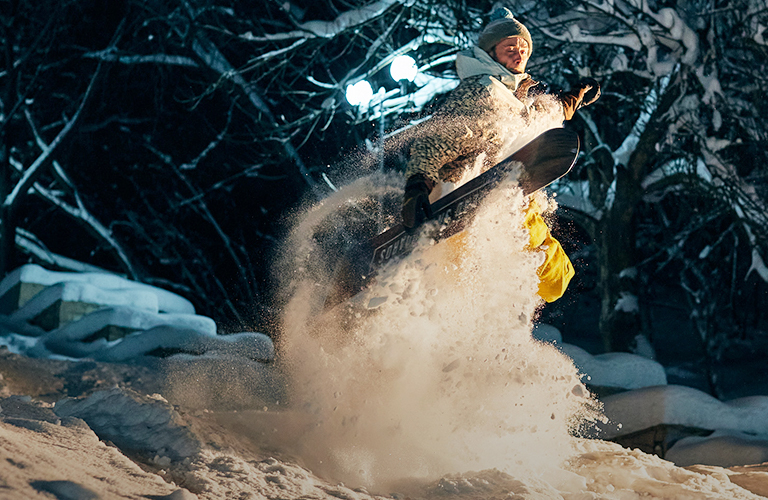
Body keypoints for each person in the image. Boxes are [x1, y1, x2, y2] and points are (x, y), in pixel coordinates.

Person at [401, 8, 600, 302]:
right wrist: (417, 185)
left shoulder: (516, 97)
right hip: (468, 192)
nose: (519, 53)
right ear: (490, 52)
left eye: (523, 48)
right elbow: (435, 140)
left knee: (557, 279)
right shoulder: (481, 91)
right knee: (477, 278)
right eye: (510, 48)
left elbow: (541, 116)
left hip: (514, 204)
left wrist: (572, 100)